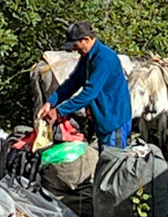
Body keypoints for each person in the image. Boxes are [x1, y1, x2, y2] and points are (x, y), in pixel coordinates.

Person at [39, 21, 132, 149]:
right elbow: (73, 82)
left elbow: (90, 93)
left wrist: (60, 111)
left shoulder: (104, 58)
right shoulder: (87, 57)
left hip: (114, 120)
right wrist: (51, 102)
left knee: (114, 163)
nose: (74, 50)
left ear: (86, 40)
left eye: (76, 45)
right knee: (104, 162)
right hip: (102, 119)